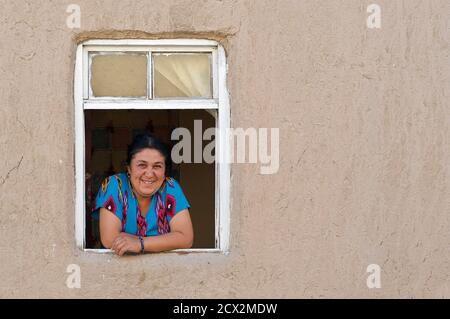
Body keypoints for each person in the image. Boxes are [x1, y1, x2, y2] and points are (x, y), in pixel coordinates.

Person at [92, 133, 193, 255]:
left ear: (165, 170)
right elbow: (110, 239)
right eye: (142, 165)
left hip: (164, 269)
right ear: (129, 168)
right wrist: (166, 241)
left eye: (157, 166)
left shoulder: (170, 188)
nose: (149, 174)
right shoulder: (115, 185)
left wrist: (140, 243)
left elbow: (186, 238)